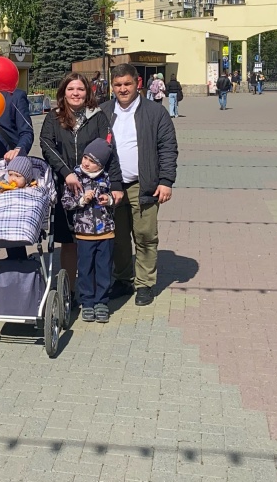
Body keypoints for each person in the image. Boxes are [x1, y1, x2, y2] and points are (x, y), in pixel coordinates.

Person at [107, 64, 177, 307]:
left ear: (137, 83)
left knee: (145, 235)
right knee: (117, 237)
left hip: (144, 185)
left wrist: (166, 181)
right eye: (118, 85)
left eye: (127, 84)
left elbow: (168, 148)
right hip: (113, 186)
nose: (123, 89)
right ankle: (123, 278)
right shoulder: (104, 111)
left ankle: (145, 283)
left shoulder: (154, 112)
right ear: (112, 86)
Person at [40, 73, 113, 299]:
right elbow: (46, 145)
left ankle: (92, 294)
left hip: (95, 186)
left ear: (87, 92)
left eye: (80, 89)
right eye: (71, 89)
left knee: (94, 242)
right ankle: (68, 291)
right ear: (63, 92)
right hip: (66, 187)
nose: (75, 93)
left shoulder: (98, 116)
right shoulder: (54, 117)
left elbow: (108, 147)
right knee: (69, 242)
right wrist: (67, 173)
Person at [62, 138, 121, 324]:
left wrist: (109, 200)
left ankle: (101, 302)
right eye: (85, 157)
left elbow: (116, 199)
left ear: (101, 164)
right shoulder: (75, 177)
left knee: (103, 268)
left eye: (92, 161)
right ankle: (87, 302)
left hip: (106, 232)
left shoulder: (107, 178)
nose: (86, 162)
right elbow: (66, 202)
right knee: (85, 269)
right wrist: (81, 201)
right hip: (84, 233)